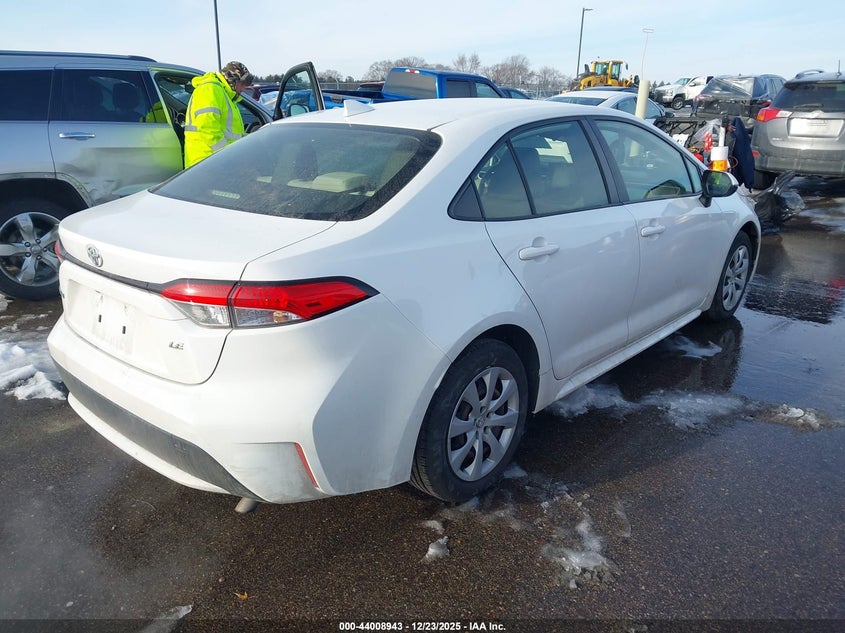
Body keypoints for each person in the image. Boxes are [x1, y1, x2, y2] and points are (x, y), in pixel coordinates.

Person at [183, 61, 255, 168]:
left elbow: (233, 132)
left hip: (213, 161)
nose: (243, 89)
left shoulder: (224, 93)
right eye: (242, 84)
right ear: (233, 80)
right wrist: (226, 156)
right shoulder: (210, 90)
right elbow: (207, 130)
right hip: (206, 162)